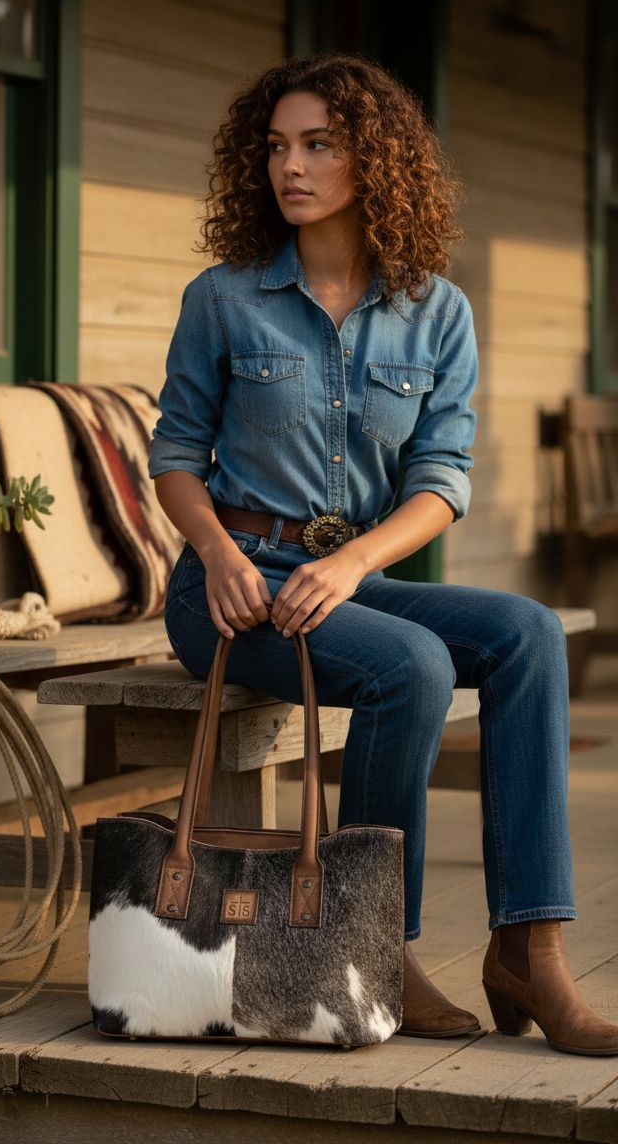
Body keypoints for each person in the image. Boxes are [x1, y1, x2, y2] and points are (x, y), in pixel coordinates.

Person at [146, 52, 618, 1057]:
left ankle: (529, 948)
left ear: (377, 158)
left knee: (529, 630)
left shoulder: (435, 310)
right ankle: (370, 944)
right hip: (229, 588)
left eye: (319, 143)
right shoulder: (224, 298)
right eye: (277, 145)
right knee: (413, 666)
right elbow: (175, 458)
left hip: (343, 575)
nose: (292, 165)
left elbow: (441, 481)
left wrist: (354, 564)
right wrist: (220, 553)